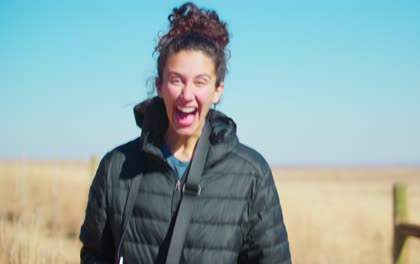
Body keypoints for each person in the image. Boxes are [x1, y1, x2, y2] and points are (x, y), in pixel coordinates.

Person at [80, 2, 291, 263]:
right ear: (159, 86)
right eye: (176, 80)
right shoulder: (117, 168)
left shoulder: (251, 174)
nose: (187, 95)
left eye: (200, 82)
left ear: (217, 90)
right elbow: (94, 254)